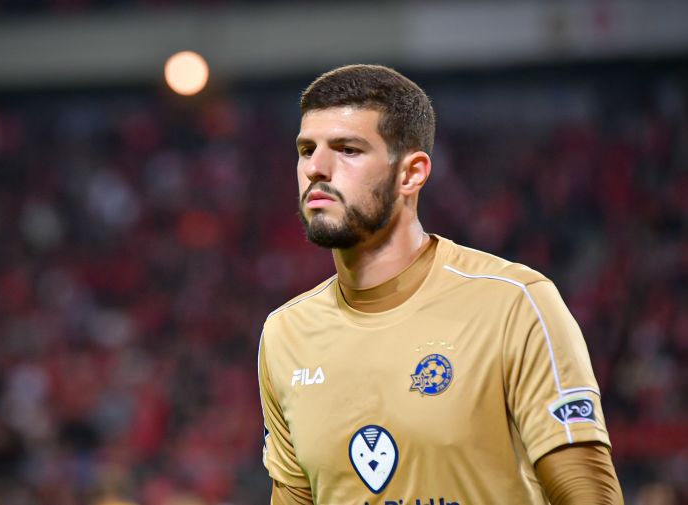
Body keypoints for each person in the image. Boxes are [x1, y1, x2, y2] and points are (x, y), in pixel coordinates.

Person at [257, 64, 623, 505]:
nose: (316, 168)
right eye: (306, 149)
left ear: (411, 174)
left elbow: (587, 494)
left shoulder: (514, 304)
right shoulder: (285, 334)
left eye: (348, 149)